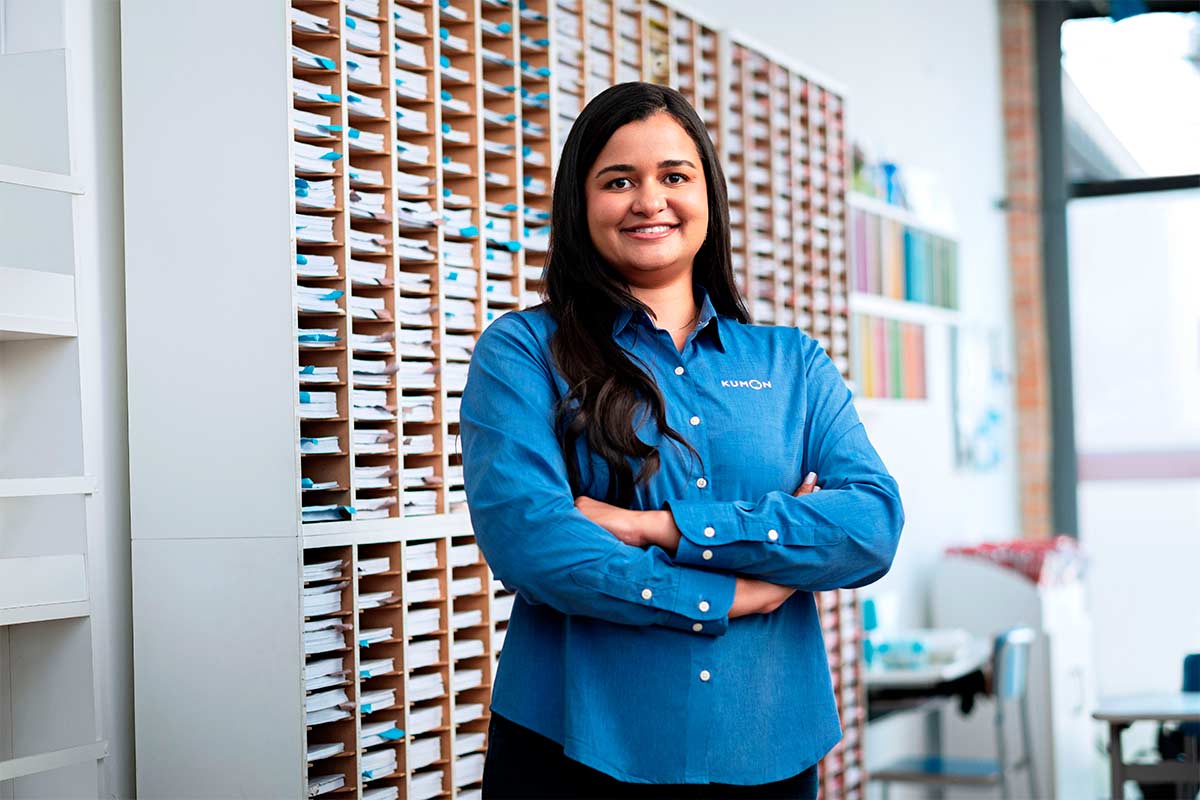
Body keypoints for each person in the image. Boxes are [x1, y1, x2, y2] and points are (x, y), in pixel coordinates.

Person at [460, 82, 904, 799]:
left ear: (708, 195)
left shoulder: (791, 363)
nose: (648, 201)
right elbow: (532, 542)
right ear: (581, 204)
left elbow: (870, 526)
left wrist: (655, 526)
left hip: (767, 748)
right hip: (575, 749)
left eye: (674, 176)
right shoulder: (522, 352)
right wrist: (735, 593)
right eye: (618, 181)